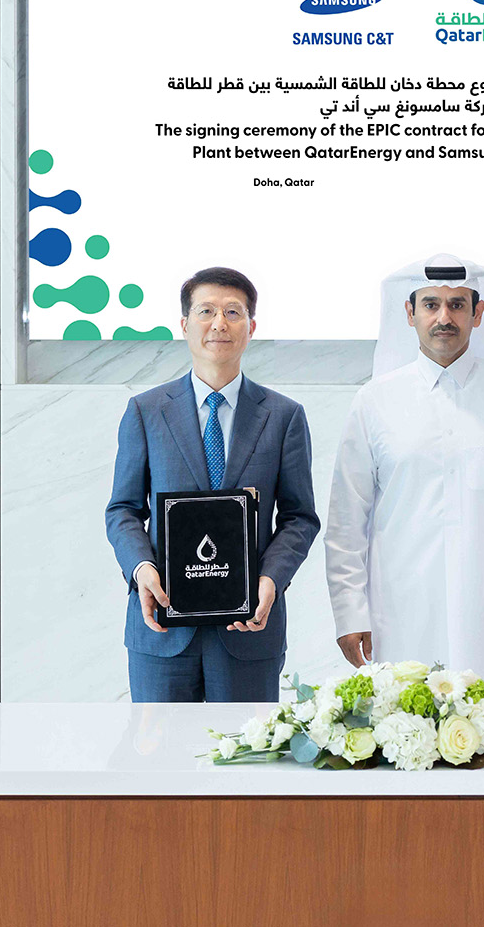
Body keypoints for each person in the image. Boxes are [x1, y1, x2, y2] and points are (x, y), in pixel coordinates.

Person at [324, 254, 484, 701]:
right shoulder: (374, 401)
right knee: (408, 729)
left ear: (478, 314)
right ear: (410, 313)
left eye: (458, 305)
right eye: (431, 305)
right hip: (402, 613)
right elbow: (347, 522)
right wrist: (350, 613)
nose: (445, 317)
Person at [106, 267, 320, 702]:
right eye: (206, 311)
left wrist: (271, 579)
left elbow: (299, 517)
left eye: (233, 312)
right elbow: (123, 510)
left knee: (245, 747)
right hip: (162, 626)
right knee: (156, 746)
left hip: (248, 628)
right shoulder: (146, 411)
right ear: (184, 325)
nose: (219, 323)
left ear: (251, 327)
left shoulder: (284, 416)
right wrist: (141, 569)